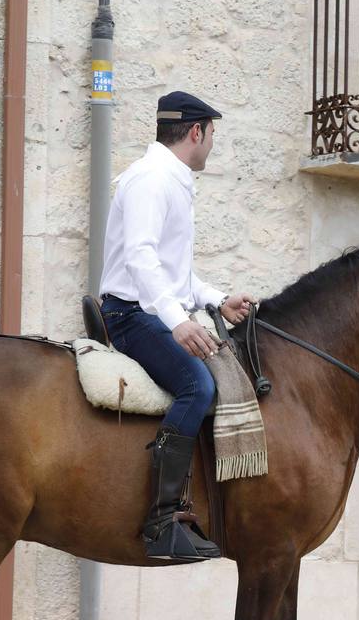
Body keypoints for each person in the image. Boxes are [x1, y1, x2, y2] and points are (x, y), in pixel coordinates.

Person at [98, 91, 255, 562]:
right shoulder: (151, 179)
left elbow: (174, 270)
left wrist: (215, 300)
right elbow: (141, 258)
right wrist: (179, 322)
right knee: (198, 385)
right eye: (212, 135)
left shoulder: (172, 179)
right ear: (196, 131)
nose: (211, 145)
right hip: (130, 315)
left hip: (152, 308)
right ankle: (162, 521)